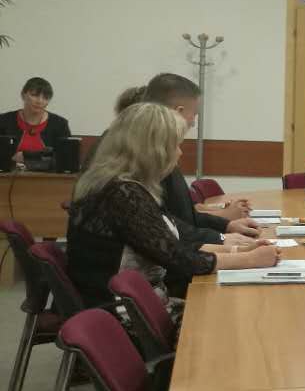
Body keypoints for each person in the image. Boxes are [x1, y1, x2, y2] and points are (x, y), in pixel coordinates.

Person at [66, 103, 279, 308]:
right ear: (153, 150)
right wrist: (249, 259)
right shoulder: (123, 195)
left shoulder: (122, 187)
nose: (179, 153)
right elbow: (180, 261)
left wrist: (238, 250)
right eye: (175, 145)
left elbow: (171, 246)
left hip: (141, 305)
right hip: (124, 313)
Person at [142, 73, 258, 245]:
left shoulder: (158, 148)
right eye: (194, 114)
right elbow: (167, 227)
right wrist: (222, 239)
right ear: (178, 112)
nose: (193, 123)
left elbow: (186, 216)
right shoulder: (149, 156)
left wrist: (227, 226)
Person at [0, 76, 72, 166]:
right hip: (9, 174)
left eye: (45, 98)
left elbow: (66, 158)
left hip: (47, 174)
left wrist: (29, 157)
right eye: (34, 95)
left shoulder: (60, 124)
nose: (39, 101)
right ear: (23, 95)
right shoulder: (3, 121)